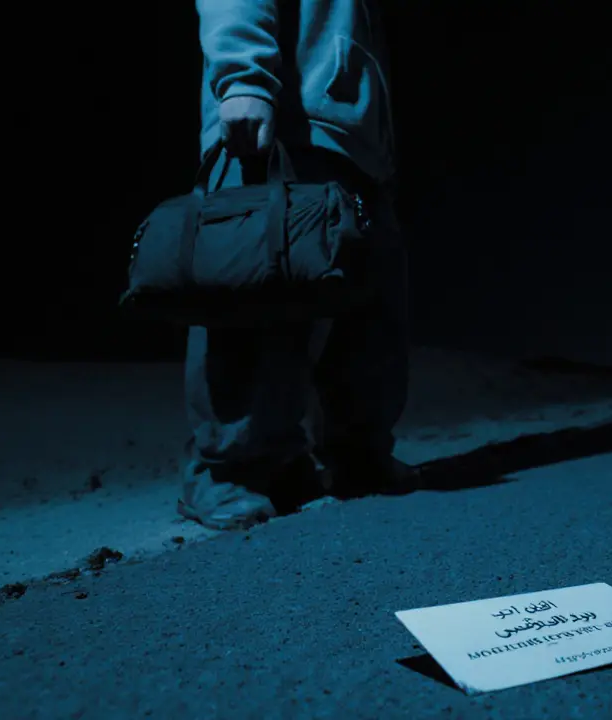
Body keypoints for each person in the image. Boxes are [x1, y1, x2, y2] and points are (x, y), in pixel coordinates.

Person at [178, 0, 418, 530]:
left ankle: (354, 457)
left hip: (348, 136)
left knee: (368, 308)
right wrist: (243, 78)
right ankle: (226, 473)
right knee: (252, 301)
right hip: (285, 120)